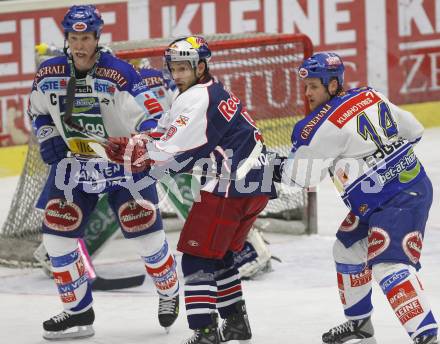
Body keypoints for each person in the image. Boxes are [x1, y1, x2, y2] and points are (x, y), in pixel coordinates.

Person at [104, 35, 277, 344]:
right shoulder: (206, 90)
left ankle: (205, 332)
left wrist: (140, 155)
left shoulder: (195, 98)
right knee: (219, 254)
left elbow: (172, 150)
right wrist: (137, 140)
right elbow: (163, 132)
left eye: (184, 67)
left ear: (200, 66)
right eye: (174, 68)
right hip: (257, 182)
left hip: (232, 184)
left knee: (196, 259)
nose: (177, 74)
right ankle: (236, 323)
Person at [28, 5, 179, 340]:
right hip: (75, 167)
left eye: (85, 37)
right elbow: (37, 112)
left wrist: (144, 141)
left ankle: (169, 291)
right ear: (66, 38)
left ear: (97, 37)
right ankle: (79, 314)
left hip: (125, 167)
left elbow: (153, 115)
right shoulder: (49, 73)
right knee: (56, 238)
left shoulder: (120, 73)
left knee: (146, 238)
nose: (79, 44)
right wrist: (48, 134)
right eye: (73, 37)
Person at [275, 52, 438, 344]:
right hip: (400, 191)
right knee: (347, 248)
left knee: (389, 264)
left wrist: (272, 168)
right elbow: (414, 130)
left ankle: (427, 337)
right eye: (306, 86)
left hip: (397, 201)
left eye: (314, 86)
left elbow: (301, 178)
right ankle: (360, 324)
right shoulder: (369, 95)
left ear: (333, 84)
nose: (308, 93)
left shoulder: (315, 128)